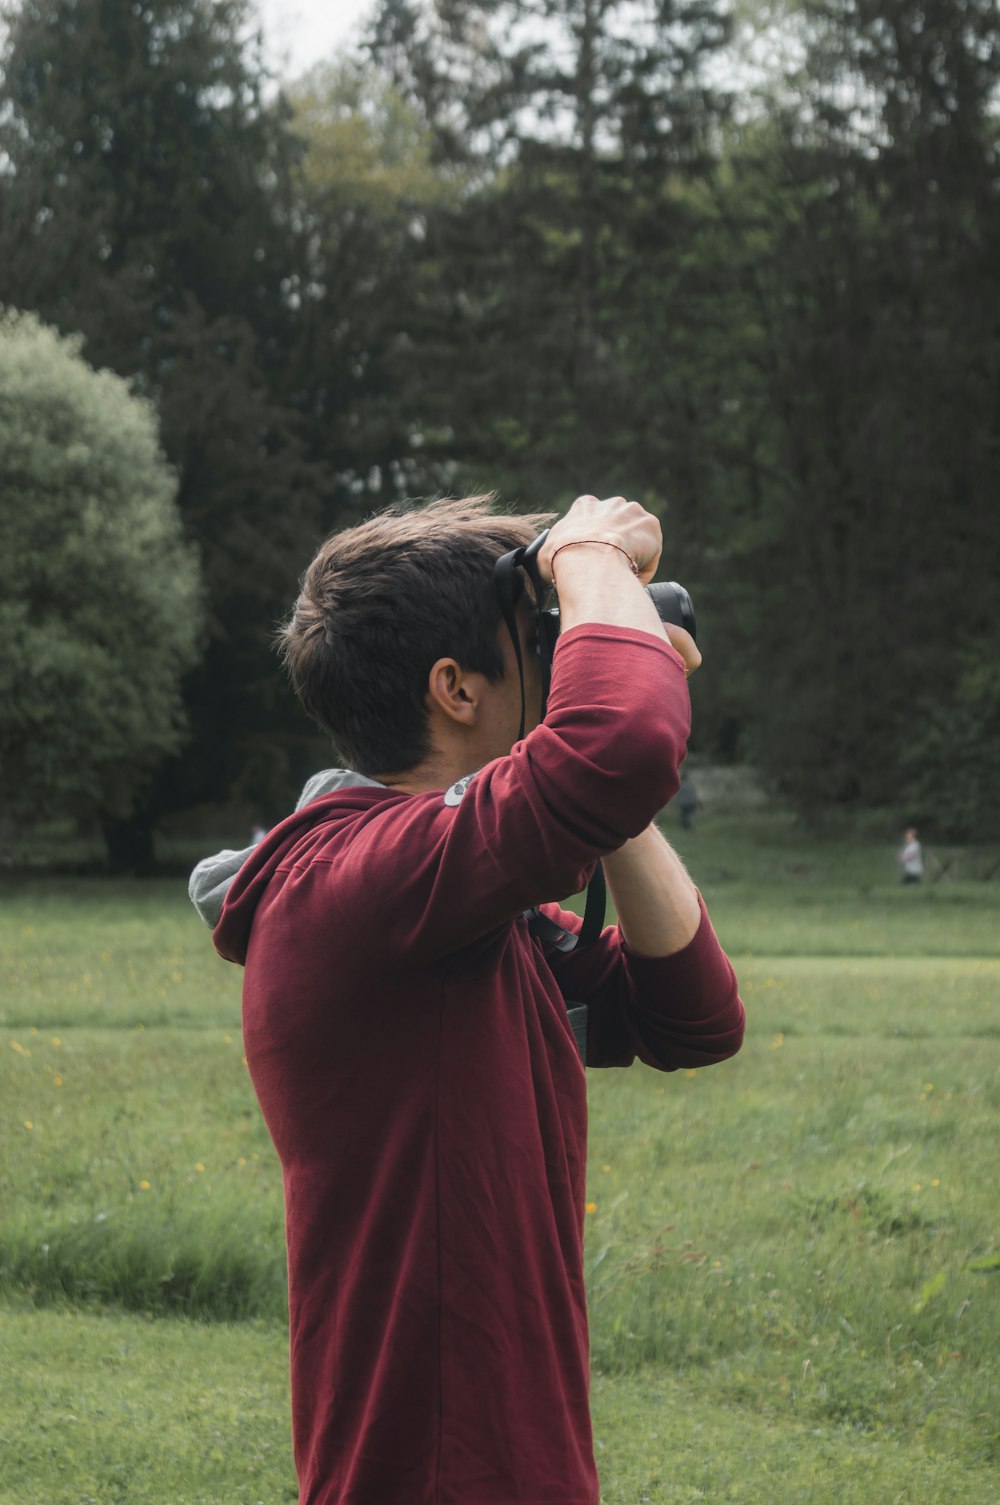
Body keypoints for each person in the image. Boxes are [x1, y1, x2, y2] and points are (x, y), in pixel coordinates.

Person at [189, 493, 745, 1505]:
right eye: (535, 640)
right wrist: (583, 556)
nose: (559, 654)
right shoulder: (354, 879)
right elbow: (618, 740)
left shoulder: (453, 910)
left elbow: (692, 1014)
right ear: (454, 687)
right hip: (440, 1471)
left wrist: (608, 801)